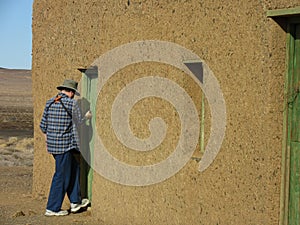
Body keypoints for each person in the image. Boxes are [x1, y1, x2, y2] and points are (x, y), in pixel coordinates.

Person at [40, 79, 92, 216]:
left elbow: (43, 126)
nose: (73, 95)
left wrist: (49, 141)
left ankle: (75, 202)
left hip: (53, 146)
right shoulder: (71, 103)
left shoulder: (49, 102)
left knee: (74, 169)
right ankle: (52, 208)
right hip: (65, 146)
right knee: (61, 176)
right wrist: (87, 116)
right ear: (70, 92)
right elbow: (79, 121)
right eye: (73, 93)